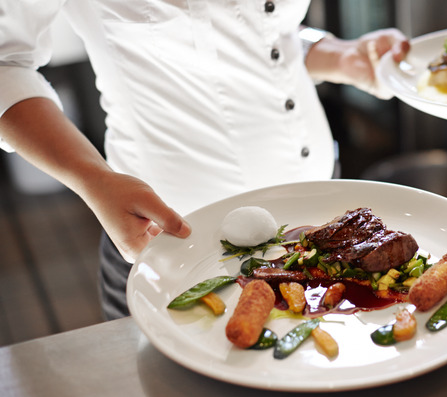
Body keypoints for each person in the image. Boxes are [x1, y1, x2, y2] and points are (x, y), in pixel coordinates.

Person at [0, 0, 409, 320]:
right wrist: (93, 178)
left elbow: (258, 25)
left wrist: (334, 54)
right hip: (173, 235)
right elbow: (6, 64)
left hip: (319, 205)